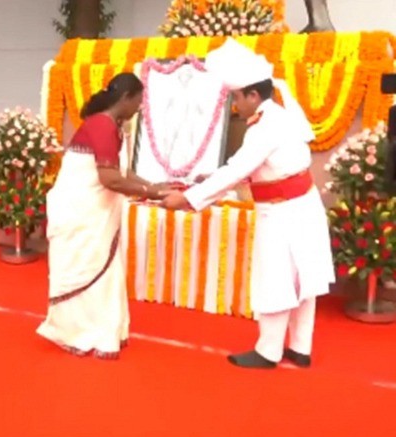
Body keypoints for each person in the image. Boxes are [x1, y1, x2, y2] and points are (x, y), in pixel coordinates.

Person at [161, 38, 335, 369]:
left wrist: (186, 198)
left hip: (284, 211)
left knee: (279, 279)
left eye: (236, 97)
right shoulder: (278, 115)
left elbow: (239, 168)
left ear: (253, 95)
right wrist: (207, 180)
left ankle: (269, 351)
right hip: (300, 207)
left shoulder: (265, 125)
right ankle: (300, 348)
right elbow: (256, 168)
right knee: (302, 279)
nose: (234, 105)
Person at [36, 73, 170, 360]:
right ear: (126, 98)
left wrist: (152, 185)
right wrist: (151, 192)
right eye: (138, 100)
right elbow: (109, 179)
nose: (139, 107)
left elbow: (122, 172)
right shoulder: (101, 125)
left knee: (105, 270)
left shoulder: (112, 125)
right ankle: (71, 334)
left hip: (93, 214)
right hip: (80, 213)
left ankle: (104, 332)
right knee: (81, 269)